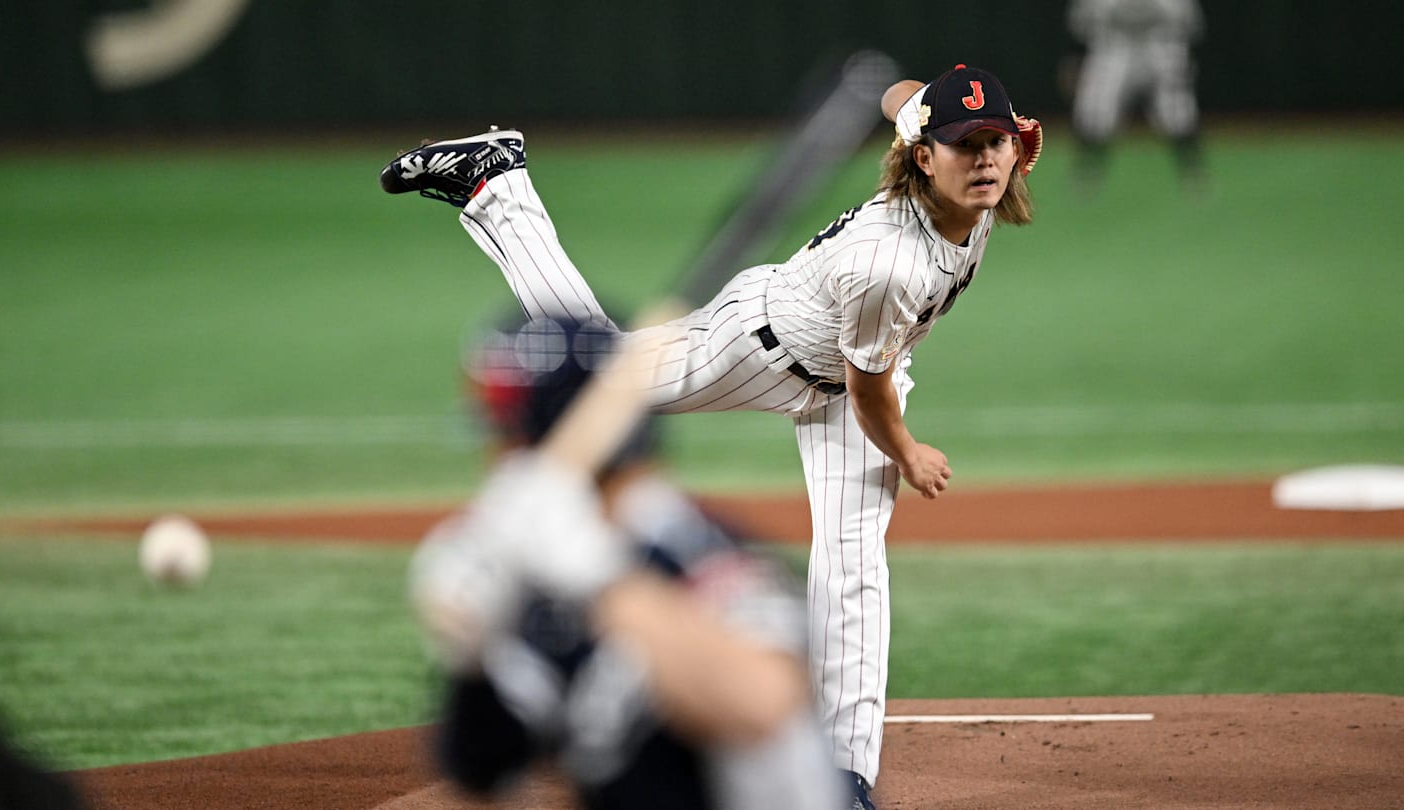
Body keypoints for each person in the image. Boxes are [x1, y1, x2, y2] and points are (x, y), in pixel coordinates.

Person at [381, 63, 1043, 810]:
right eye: (966, 145)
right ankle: (497, 186)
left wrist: (912, 101)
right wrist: (910, 454)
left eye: (996, 141)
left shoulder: (960, 173)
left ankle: (848, 776)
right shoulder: (889, 264)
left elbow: (902, 102)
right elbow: (870, 393)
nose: (985, 159)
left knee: (854, 562)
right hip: (763, 345)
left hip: (854, 370)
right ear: (925, 157)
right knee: (605, 379)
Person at [409, 314, 848, 810]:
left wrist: (601, 578)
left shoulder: (701, 550)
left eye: (504, 431)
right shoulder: (544, 573)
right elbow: (484, 768)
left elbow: (761, 705)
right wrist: (470, 659)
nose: (494, 455)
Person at [1067, 0, 1205, 189]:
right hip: (1114, 49)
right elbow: (1080, 26)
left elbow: (1190, 26)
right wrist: (1074, 57)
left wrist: (1184, 57)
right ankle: (1087, 171)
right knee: (1096, 113)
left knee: (1177, 113)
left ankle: (1193, 171)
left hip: (1160, 48)